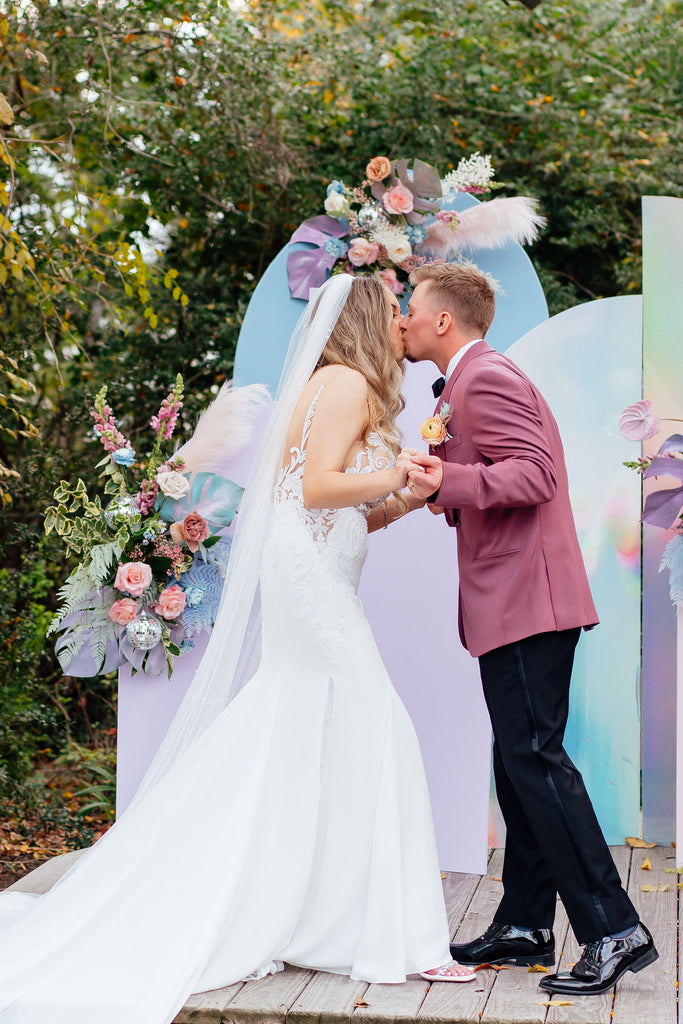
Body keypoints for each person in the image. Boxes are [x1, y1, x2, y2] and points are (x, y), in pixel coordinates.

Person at [0, 275, 474, 1024]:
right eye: (389, 310)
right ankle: (397, 936)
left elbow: (339, 509)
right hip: (310, 579)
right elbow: (317, 488)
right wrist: (398, 472)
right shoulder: (346, 380)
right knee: (376, 723)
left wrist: (402, 499)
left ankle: (317, 911)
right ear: (359, 319)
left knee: (300, 727)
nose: (398, 320)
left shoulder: (332, 383)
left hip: (313, 566)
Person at [402, 263, 658, 997]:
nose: (403, 319)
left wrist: (446, 483)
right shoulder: (467, 382)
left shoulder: (485, 378)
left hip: (526, 599)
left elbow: (536, 474)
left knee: (536, 762)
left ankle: (612, 929)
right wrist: (440, 483)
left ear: (443, 321)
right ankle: (523, 924)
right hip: (511, 599)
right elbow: (494, 476)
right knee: (519, 764)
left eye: (410, 308)